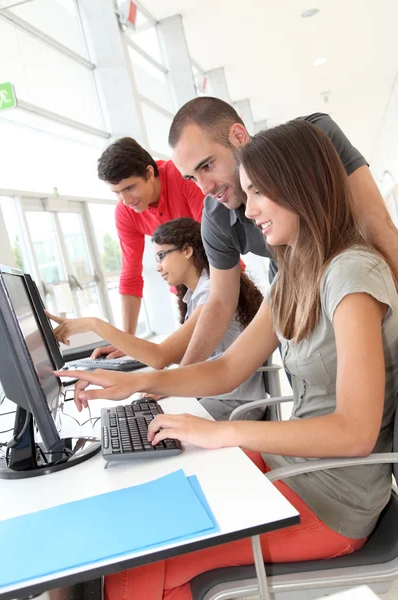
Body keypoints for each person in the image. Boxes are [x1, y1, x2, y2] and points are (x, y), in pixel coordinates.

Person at [59, 120, 398, 600]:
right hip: (292, 465)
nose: (250, 210)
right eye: (247, 193)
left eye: (259, 193)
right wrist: (141, 383)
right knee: (140, 530)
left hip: (333, 500)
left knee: (138, 570)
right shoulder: (296, 271)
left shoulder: (352, 274)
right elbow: (227, 367)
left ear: (299, 183)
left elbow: (356, 432)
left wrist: (223, 432)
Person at [166, 97, 398, 368]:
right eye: (192, 178)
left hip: (356, 288)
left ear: (238, 136)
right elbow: (219, 303)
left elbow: (376, 225)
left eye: (207, 166)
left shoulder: (314, 141)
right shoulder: (216, 217)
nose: (204, 187)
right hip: (299, 304)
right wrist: (180, 375)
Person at [50, 218, 266, 420]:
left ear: (188, 250)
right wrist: (130, 351)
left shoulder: (211, 294)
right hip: (214, 393)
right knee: (146, 414)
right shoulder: (196, 294)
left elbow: (160, 357)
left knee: (149, 420)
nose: (158, 266)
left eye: (162, 255)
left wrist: (92, 324)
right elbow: (174, 351)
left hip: (234, 403)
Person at [93, 137, 204, 359]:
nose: (125, 200)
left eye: (129, 188)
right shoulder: (126, 213)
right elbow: (131, 276)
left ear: (150, 172)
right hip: (185, 297)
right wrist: (126, 340)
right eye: (116, 192)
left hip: (219, 282)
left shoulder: (182, 177)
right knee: (193, 367)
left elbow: (215, 243)